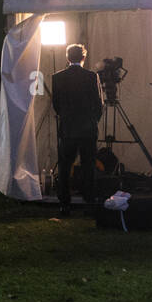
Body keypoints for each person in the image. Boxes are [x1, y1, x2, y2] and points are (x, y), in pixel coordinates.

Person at [51, 43, 104, 215]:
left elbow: (56, 105)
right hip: (87, 128)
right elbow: (99, 103)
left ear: (67, 58)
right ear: (83, 57)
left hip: (68, 128)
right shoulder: (91, 76)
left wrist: (66, 118)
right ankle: (89, 200)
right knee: (88, 165)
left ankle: (64, 202)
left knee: (65, 166)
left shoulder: (57, 77)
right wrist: (93, 120)